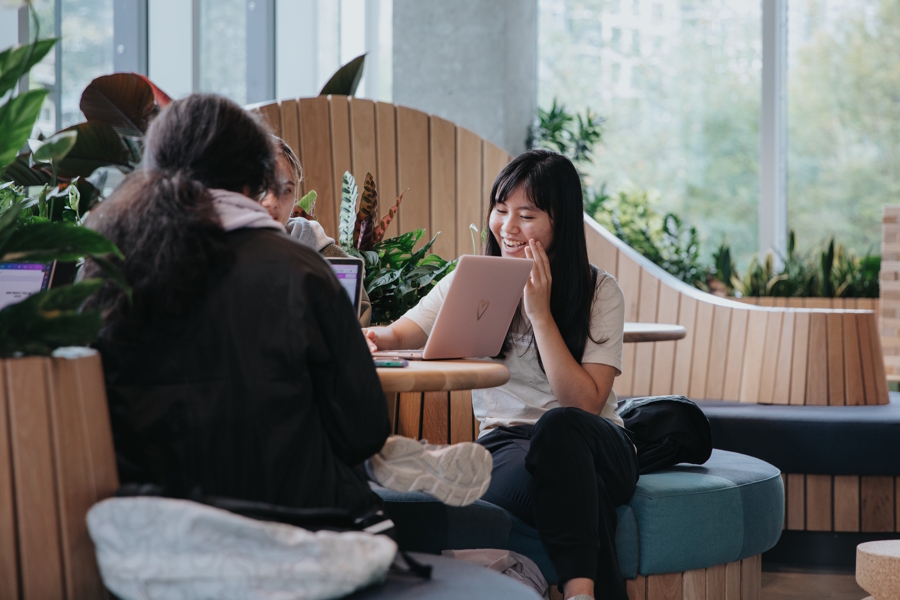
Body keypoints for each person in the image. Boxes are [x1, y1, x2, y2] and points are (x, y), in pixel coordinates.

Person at [82, 93, 491, 520]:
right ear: (256, 176)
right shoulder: (303, 271)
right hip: (293, 518)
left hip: (148, 520)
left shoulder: (106, 264)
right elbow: (362, 430)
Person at [365, 149, 639, 600]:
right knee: (573, 492)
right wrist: (366, 338)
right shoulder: (472, 281)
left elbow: (584, 404)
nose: (507, 227)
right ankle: (582, 594)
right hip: (508, 444)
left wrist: (540, 314)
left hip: (597, 442)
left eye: (526, 215)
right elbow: (400, 332)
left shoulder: (599, 291)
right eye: (500, 209)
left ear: (561, 221)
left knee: (558, 428)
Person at [261, 137, 372, 326]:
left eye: (286, 190)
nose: (273, 201)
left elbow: (358, 318)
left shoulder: (326, 254)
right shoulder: (217, 255)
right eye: (262, 187)